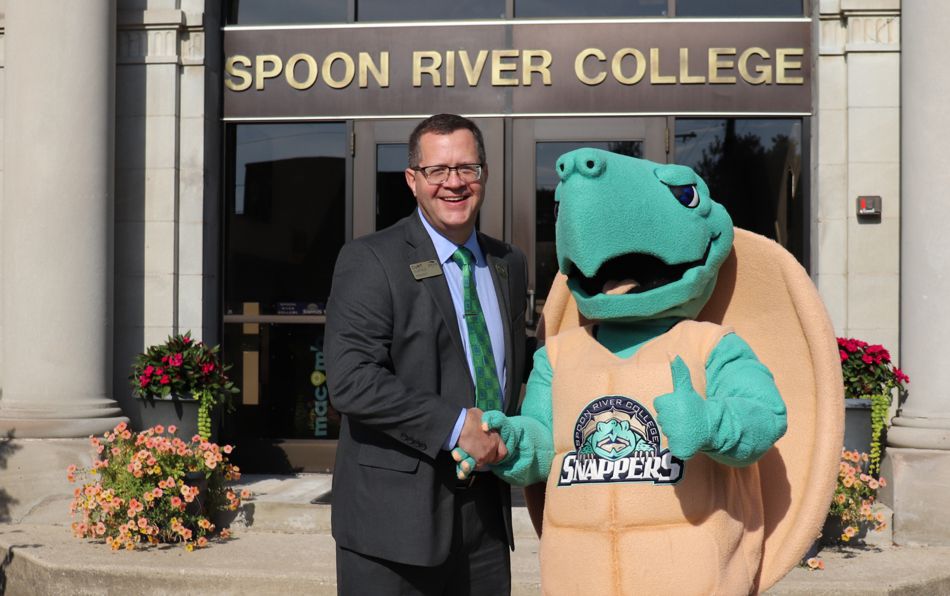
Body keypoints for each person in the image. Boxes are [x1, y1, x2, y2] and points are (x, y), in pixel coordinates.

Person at [325, 113, 528, 595]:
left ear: (483, 175)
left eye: (466, 168)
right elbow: (352, 380)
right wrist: (458, 427)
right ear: (413, 181)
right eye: (437, 171)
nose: (453, 183)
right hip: (392, 528)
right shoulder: (371, 259)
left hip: (486, 521)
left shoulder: (508, 264)